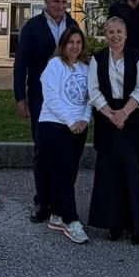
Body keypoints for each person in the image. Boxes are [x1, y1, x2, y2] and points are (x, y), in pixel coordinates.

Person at [13, 0, 79, 222]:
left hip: (68, 98)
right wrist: (20, 97)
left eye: (64, 2)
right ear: (46, 1)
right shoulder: (32, 27)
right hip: (40, 97)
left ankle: (62, 199)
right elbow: (21, 63)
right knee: (43, 149)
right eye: (55, 2)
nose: (60, 6)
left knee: (66, 150)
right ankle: (42, 201)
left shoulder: (73, 25)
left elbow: (80, 57)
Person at [88, 15, 139, 244]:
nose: (115, 36)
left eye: (119, 32)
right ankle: (113, 224)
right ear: (105, 34)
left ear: (126, 34)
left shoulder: (138, 57)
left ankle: (136, 226)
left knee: (132, 172)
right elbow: (93, 90)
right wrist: (110, 114)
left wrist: (124, 113)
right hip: (107, 120)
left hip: (132, 119)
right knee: (109, 174)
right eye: (111, 32)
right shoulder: (97, 59)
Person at [36, 27, 92, 244]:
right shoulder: (55, 65)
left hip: (78, 127)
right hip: (55, 125)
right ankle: (71, 220)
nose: (75, 46)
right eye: (70, 42)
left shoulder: (85, 68)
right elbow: (51, 97)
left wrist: (84, 120)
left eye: (78, 42)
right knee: (63, 173)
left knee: (69, 174)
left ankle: (57, 214)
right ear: (63, 44)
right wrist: (70, 122)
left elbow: (90, 97)